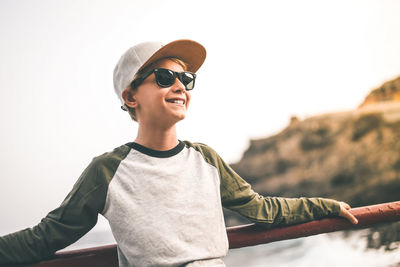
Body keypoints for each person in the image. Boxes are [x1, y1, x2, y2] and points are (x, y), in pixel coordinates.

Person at [0, 39, 358, 267]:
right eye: (163, 77)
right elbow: (48, 236)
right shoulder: (107, 172)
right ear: (130, 96)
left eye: (186, 80)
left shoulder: (206, 159)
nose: (179, 86)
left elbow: (262, 209)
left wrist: (324, 206)